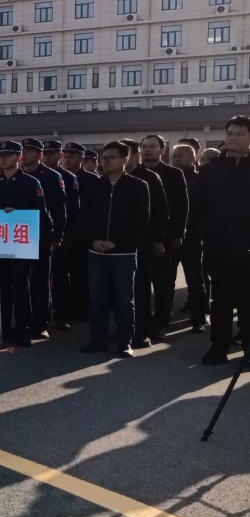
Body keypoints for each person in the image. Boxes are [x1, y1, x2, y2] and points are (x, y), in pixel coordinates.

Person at [79, 141, 149, 358]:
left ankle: (124, 341)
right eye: (104, 157)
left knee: (124, 299)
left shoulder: (138, 186)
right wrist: (92, 241)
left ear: (125, 159)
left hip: (123, 253)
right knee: (97, 299)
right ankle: (98, 339)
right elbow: (85, 218)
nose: (105, 161)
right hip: (96, 252)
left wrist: (117, 242)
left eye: (111, 157)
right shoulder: (95, 186)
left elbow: (141, 222)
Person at [190, 115, 250, 365]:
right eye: (229, 133)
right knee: (221, 299)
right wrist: (204, 234)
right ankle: (219, 345)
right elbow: (198, 207)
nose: (232, 138)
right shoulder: (211, 169)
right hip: (219, 246)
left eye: (239, 134)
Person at [0, 142, 49, 348]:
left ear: (18, 157)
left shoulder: (31, 183)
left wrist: (18, 215)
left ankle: (22, 329)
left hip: (21, 244)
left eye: (8, 155)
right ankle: (1, 328)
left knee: (20, 287)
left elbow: (41, 214)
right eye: (0, 155)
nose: (3, 159)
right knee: (1, 288)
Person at [138, 133, 189, 341]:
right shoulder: (134, 172)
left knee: (163, 283)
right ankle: (140, 323)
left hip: (165, 238)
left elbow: (181, 206)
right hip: (139, 238)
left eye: (152, 146)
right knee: (140, 284)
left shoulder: (174, 174)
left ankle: (160, 323)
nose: (147, 150)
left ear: (162, 150)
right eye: (144, 147)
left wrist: (177, 233)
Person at [19, 138, 66, 338]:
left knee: (40, 282)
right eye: (24, 151)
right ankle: (22, 321)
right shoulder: (16, 175)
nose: (25, 155)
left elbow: (60, 210)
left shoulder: (52, 177)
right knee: (21, 282)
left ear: (40, 154)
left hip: (41, 236)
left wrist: (57, 236)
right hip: (19, 237)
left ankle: (41, 324)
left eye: (30, 151)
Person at [124, 138, 168, 349]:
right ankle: (124, 328)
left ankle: (142, 332)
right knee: (121, 290)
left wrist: (158, 238)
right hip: (116, 244)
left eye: (123, 154)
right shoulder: (110, 178)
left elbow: (161, 210)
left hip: (143, 242)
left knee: (141, 288)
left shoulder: (149, 178)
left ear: (134, 155)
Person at [42, 139, 81, 331]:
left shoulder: (67, 178)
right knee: (38, 279)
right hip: (35, 236)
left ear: (60, 155)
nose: (47, 157)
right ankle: (40, 316)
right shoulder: (31, 175)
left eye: (51, 153)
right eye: (45, 153)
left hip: (60, 237)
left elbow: (72, 211)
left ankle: (62, 316)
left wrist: (65, 235)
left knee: (61, 277)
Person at [171, 143, 208, 331]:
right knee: (165, 280)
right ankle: (162, 316)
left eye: (181, 155)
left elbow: (206, 209)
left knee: (195, 279)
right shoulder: (168, 178)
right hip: (170, 237)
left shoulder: (201, 179)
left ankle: (199, 318)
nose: (176, 159)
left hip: (193, 236)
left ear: (193, 158)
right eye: (174, 156)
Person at [60, 142, 98, 322]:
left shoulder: (92, 180)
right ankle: (63, 310)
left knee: (81, 274)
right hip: (61, 233)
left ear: (82, 159)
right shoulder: (57, 177)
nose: (67, 160)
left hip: (83, 236)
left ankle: (83, 309)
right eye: (65, 156)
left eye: (72, 156)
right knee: (60, 275)